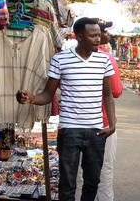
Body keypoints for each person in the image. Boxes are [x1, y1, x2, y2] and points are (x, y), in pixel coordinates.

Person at [16, 17, 116, 201]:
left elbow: (108, 95)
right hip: (70, 130)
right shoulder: (61, 59)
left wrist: (112, 123)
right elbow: (48, 94)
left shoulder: (103, 60)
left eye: (98, 35)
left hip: (97, 131)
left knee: (92, 182)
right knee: (67, 184)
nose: (98, 39)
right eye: (92, 35)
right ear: (79, 36)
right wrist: (31, 98)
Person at [75, 19, 123, 201]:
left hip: (76, 125)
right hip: (102, 124)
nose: (107, 35)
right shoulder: (106, 58)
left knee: (79, 174)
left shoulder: (68, 56)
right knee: (104, 174)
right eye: (103, 32)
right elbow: (117, 91)